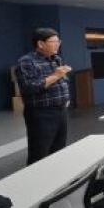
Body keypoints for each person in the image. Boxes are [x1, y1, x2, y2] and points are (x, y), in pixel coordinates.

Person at [14, 28, 72, 165]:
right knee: (39, 153)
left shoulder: (56, 59)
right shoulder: (27, 62)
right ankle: (36, 178)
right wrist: (56, 75)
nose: (57, 44)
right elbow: (29, 88)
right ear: (40, 44)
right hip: (41, 114)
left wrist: (65, 97)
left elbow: (61, 81)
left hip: (61, 111)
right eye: (53, 41)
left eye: (58, 41)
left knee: (59, 150)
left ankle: (55, 177)